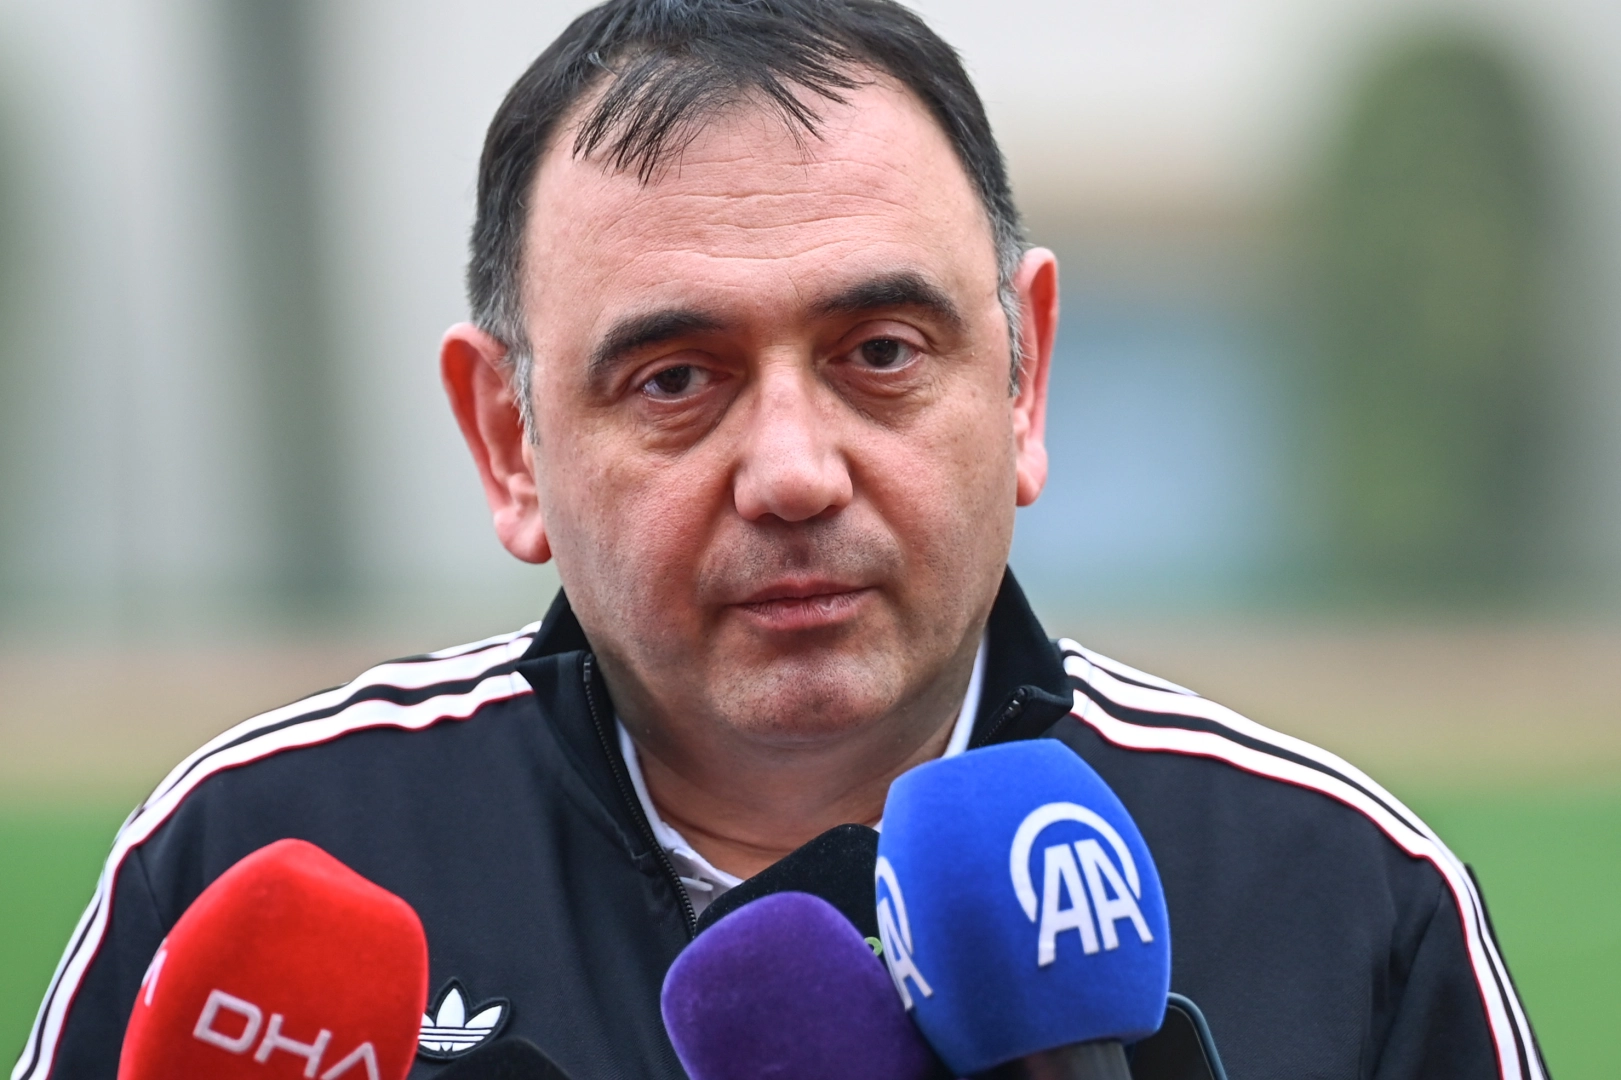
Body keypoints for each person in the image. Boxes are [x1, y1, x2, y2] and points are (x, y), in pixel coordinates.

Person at [14, 2, 1545, 1078]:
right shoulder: (244, 863)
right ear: (509, 443)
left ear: (1025, 379)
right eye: (676, 381)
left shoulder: (1351, 901)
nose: (796, 473)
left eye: (881, 353)